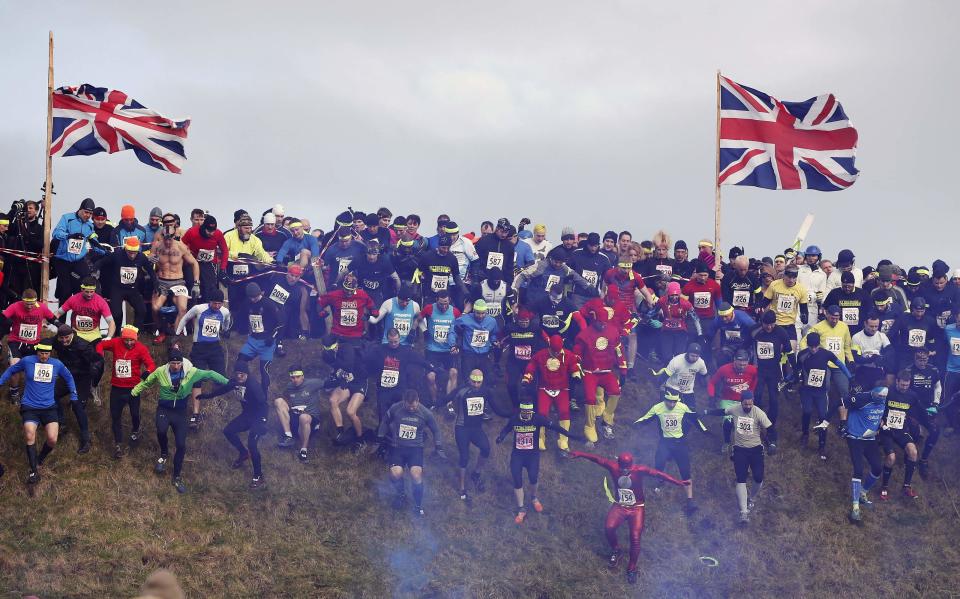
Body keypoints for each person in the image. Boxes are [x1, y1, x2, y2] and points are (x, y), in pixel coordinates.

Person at [568, 449, 689, 584]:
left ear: (632, 465)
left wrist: (677, 482)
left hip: (637, 508)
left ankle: (632, 568)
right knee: (609, 527)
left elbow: (658, 474)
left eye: (628, 468)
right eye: (623, 468)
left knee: (635, 537)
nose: (625, 471)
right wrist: (580, 454)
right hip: (620, 505)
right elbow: (597, 459)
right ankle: (616, 550)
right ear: (618, 464)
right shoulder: (613, 466)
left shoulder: (639, 470)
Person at [132, 348, 229, 493]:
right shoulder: (160, 372)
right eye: (173, 363)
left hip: (180, 412)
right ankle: (164, 454)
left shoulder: (192, 372)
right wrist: (134, 391)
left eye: (178, 363)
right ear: (169, 363)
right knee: (161, 430)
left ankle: (176, 477)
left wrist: (228, 382)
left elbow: (210, 373)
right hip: (164, 410)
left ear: (182, 362)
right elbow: (147, 382)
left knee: (181, 445)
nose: (176, 366)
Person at [0, 341, 77, 483]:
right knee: (30, 434)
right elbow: (12, 370)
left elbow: (69, 377)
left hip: (49, 407)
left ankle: (39, 460)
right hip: (30, 406)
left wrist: (74, 395)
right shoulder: (27, 361)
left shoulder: (57, 364)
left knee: (52, 439)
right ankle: (34, 471)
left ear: (50, 353)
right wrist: (0, 381)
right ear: (37, 352)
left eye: (46, 353)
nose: (43, 356)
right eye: (41, 353)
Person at [496, 401, 578, 524]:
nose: (526, 415)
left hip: (532, 456)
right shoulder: (515, 419)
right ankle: (521, 508)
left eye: (529, 412)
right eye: (524, 412)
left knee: (533, 478)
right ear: (520, 411)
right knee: (517, 480)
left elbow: (554, 426)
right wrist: (501, 437)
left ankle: (534, 498)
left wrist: (570, 435)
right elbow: (506, 429)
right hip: (517, 455)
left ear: (532, 411)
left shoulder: (538, 419)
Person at [702, 390, 772, 524]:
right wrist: (707, 412)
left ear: (753, 402)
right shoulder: (735, 409)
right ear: (741, 403)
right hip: (740, 450)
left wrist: (771, 443)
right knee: (741, 479)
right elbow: (723, 411)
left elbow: (770, 428)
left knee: (758, 478)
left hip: (756, 450)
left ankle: (752, 498)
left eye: (750, 404)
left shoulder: (759, 413)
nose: (748, 407)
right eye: (745, 404)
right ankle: (744, 512)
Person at [633, 389, 707, 514]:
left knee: (685, 471)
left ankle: (690, 501)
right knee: (659, 464)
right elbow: (645, 418)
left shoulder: (683, 407)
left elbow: (696, 420)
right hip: (665, 443)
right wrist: (635, 424)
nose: (672, 405)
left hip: (680, 443)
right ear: (665, 399)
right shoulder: (657, 408)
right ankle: (660, 482)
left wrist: (706, 431)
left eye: (674, 402)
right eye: (669, 402)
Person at [379, 388, 445, 516]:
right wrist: (379, 438)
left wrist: (438, 446)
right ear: (404, 402)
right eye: (408, 406)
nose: (411, 409)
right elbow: (385, 421)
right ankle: (401, 493)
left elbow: (436, 430)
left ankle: (418, 505)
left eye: (414, 406)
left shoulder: (425, 413)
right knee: (395, 473)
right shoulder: (395, 408)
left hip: (415, 449)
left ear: (418, 401)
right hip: (397, 447)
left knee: (416, 475)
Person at [96, 325, 155, 459]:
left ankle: (136, 430)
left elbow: (151, 364)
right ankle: (118, 445)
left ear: (136, 339)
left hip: (133, 389)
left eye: (131, 340)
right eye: (126, 340)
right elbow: (100, 345)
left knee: (135, 414)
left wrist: (147, 372)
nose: (129, 343)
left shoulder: (141, 348)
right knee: (115, 416)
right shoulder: (116, 342)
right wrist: (100, 356)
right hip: (117, 388)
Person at [175, 289, 231, 428]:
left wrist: (225, 329)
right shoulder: (198, 309)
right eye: (215, 303)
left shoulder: (224, 311)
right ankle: (195, 413)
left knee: (220, 377)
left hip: (215, 348)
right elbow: (185, 318)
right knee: (196, 380)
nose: (217, 306)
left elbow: (227, 322)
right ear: (209, 301)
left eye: (220, 303)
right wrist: (177, 335)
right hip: (199, 349)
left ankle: (218, 407)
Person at [796, 332, 853, 460]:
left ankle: (822, 445)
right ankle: (805, 435)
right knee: (807, 411)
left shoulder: (826, 353)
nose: (814, 349)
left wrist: (850, 376)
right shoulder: (802, 355)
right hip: (807, 390)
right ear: (808, 345)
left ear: (819, 344)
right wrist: (788, 380)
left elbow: (839, 364)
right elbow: (796, 370)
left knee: (823, 417)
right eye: (811, 347)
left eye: (816, 346)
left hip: (821, 392)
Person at [574, 308, 627, 444]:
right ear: (594, 320)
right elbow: (577, 354)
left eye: (604, 322)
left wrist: (623, 369)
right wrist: (577, 368)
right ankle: (590, 426)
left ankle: (607, 420)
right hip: (590, 372)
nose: (603, 325)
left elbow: (619, 351)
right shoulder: (584, 335)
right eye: (600, 322)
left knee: (615, 391)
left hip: (606, 371)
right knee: (590, 398)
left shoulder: (612, 331)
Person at [522, 334, 581, 454]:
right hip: (545, 388)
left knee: (564, 413)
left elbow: (574, 364)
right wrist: (527, 377)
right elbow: (532, 365)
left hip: (562, 389)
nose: (556, 353)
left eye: (558, 351)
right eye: (553, 351)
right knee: (542, 413)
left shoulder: (568, 355)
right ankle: (540, 438)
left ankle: (563, 441)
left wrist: (576, 374)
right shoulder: (541, 354)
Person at [52, 324, 104, 453]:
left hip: (82, 379)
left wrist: (95, 380)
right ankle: (61, 423)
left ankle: (85, 439)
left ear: (72, 335)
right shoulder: (57, 341)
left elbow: (99, 361)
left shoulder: (83, 346)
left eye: (66, 337)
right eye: (61, 338)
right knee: (52, 394)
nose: (64, 341)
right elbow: (44, 345)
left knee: (77, 406)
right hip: (67, 376)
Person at [450, 370, 499, 502]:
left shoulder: (486, 391)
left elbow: (497, 409)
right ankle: (462, 487)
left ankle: (476, 474)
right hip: (462, 428)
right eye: (474, 382)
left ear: (482, 381)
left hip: (476, 429)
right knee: (464, 457)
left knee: (486, 449)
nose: (476, 385)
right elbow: (448, 399)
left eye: (479, 382)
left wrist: (512, 415)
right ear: (469, 380)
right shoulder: (462, 391)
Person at [840, 386, 888, 522]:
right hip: (855, 438)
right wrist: (842, 423)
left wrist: (880, 425)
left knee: (878, 468)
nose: (882, 399)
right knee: (858, 470)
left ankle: (863, 493)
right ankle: (855, 507)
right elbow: (843, 404)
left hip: (870, 438)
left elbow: (880, 416)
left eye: (884, 397)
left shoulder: (882, 403)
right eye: (880, 397)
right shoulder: (862, 400)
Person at [2, 288, 57, 405]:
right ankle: (14, 393)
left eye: (32, 304)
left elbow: (52, 319)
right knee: (15, 366)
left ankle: (34, 394)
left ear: (36, 301)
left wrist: (62, 327)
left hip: (34, 344)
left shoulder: (41, 307)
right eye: (27, 304)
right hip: (16, 342)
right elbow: (3, 318)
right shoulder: (15, 306)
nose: (30, 307)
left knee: (38, 369)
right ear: (23, 301)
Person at [150, 216, 201, 342]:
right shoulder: (157, 246)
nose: (167, 241)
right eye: (165, 238)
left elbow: (194, 263)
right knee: (155, 308)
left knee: (182, 308)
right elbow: (149, 260)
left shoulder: (181, 247)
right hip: (161, 281)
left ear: (174, 236)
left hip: (178, 282)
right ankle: (162, 331)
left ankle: (175, 336)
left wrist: (196, 283)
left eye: (170, 238)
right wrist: (150, 260)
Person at [751, 310, 793, 452]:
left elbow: (789, 351)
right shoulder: (756, 331)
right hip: (759, 371)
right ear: (761, 323)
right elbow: (744, 345)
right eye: (766, 325)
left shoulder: (781, 332)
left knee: (774, 400)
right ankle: (756, 422)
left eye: (772, 324)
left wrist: (796, 369)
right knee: (756, 396)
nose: (769, 327)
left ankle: (770, 426)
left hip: (774, 371)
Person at [877, 370, 921, 500]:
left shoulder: (912, 396)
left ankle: (906, 486)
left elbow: (918, 411)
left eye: (907, 385)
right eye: (902, 385)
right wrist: (880, 423)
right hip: (886, 430)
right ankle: (884, 487)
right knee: (891, 458)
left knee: (913, 452)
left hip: (901, 430)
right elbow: (876, 409)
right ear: (897, 381)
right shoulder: (887, 392)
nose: (904, 388)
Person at [707, 349, 758, 454]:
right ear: (734, 360)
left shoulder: (752, 370)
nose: (742, 367)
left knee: (742, 425)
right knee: (728, 423)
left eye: (745, 365)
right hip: (728, 400)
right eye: (740, 365)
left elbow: (755, 380)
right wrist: (712, 397)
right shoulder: (724, 369)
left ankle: (741, 445)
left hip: (743, 401)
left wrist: (751, 394)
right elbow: (712, 382)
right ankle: (726, 442)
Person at [95, 236, 152, 329]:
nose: (132, 255)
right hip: (117, 289)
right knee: (117, 314)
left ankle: (134, 333)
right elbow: (101, 262)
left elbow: (151, 272)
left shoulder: (141, 257)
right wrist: (94, 271)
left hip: (132, 289)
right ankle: (117, 333)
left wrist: (157, 283)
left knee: (142, 311)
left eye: (134, 253)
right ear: (125, 249)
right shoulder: (117, 254)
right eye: (130, 252)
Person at [51, 198, 96, 304]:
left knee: (82, 288)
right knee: (66, 292)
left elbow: (93, 239)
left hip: (78, 260)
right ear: (80, 209)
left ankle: (76, 319)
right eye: (86, 212)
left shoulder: (90, 225)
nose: (88, 215)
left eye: (90, 213)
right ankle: (60, 319)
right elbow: (56, 233)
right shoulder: (67, 218)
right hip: (63, 259)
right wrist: (69, 236)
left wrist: (103, 249)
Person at [53, 276, 116, 348]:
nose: (89, 294)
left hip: (94, 334)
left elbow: (111, 322)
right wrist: (46, 321)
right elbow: (58, 313)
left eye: (92, 292)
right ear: (81, 289)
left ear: (95, 290)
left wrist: (109, 337)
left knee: (97, 354)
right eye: (87, 292)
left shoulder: (101, 302)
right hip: (76, 333)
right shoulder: (73, 299)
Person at [180, 213, 229, 302]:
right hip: (193, 262)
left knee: (209, 288)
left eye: (213, 231)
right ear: (203, 227)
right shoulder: (192, 232)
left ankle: (206, 310)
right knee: (192, 285)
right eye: (209, 231)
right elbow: (181, 245)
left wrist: (222, 268)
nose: (211, 233)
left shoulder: (218, 233)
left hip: (209, 263)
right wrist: (187, 252)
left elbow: (225, 250)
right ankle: (191, 308)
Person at [650, 342, 708, 409]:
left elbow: (705, 375)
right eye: (692, 356)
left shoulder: (701, 363)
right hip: (672, 388)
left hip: (688, 390)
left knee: (691, 411)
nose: (694, 358)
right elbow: (664, 376)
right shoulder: (677, 361)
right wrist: (662, 390)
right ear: (687, 353)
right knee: (669, 410)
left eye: (696, 356)